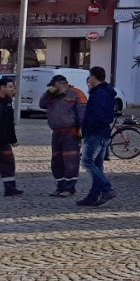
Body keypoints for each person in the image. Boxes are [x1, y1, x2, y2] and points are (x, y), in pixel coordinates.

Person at [39, 73, 87, 198]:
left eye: (54, 85)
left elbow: (83, 112)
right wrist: (48, 93)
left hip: (71, 131)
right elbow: (42, 104)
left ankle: (70, 188)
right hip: (56, 132)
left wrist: (83, 130)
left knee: (70, 160)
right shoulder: (52, 96)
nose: (52, 87)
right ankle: (60, 186)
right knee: (57, 160)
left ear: (62, 84)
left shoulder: (76, 93)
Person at [78, 66, 118, 207]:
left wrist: (87, 129)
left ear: (94, 77)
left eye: (89, 77)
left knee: (87, 162)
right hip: (101, 132)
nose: (88, 80)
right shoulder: (105, 91)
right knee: (97, 165)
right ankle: (93, 195)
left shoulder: (99, 93)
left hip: (95, 133)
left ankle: (107, 188)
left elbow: (95, 114)